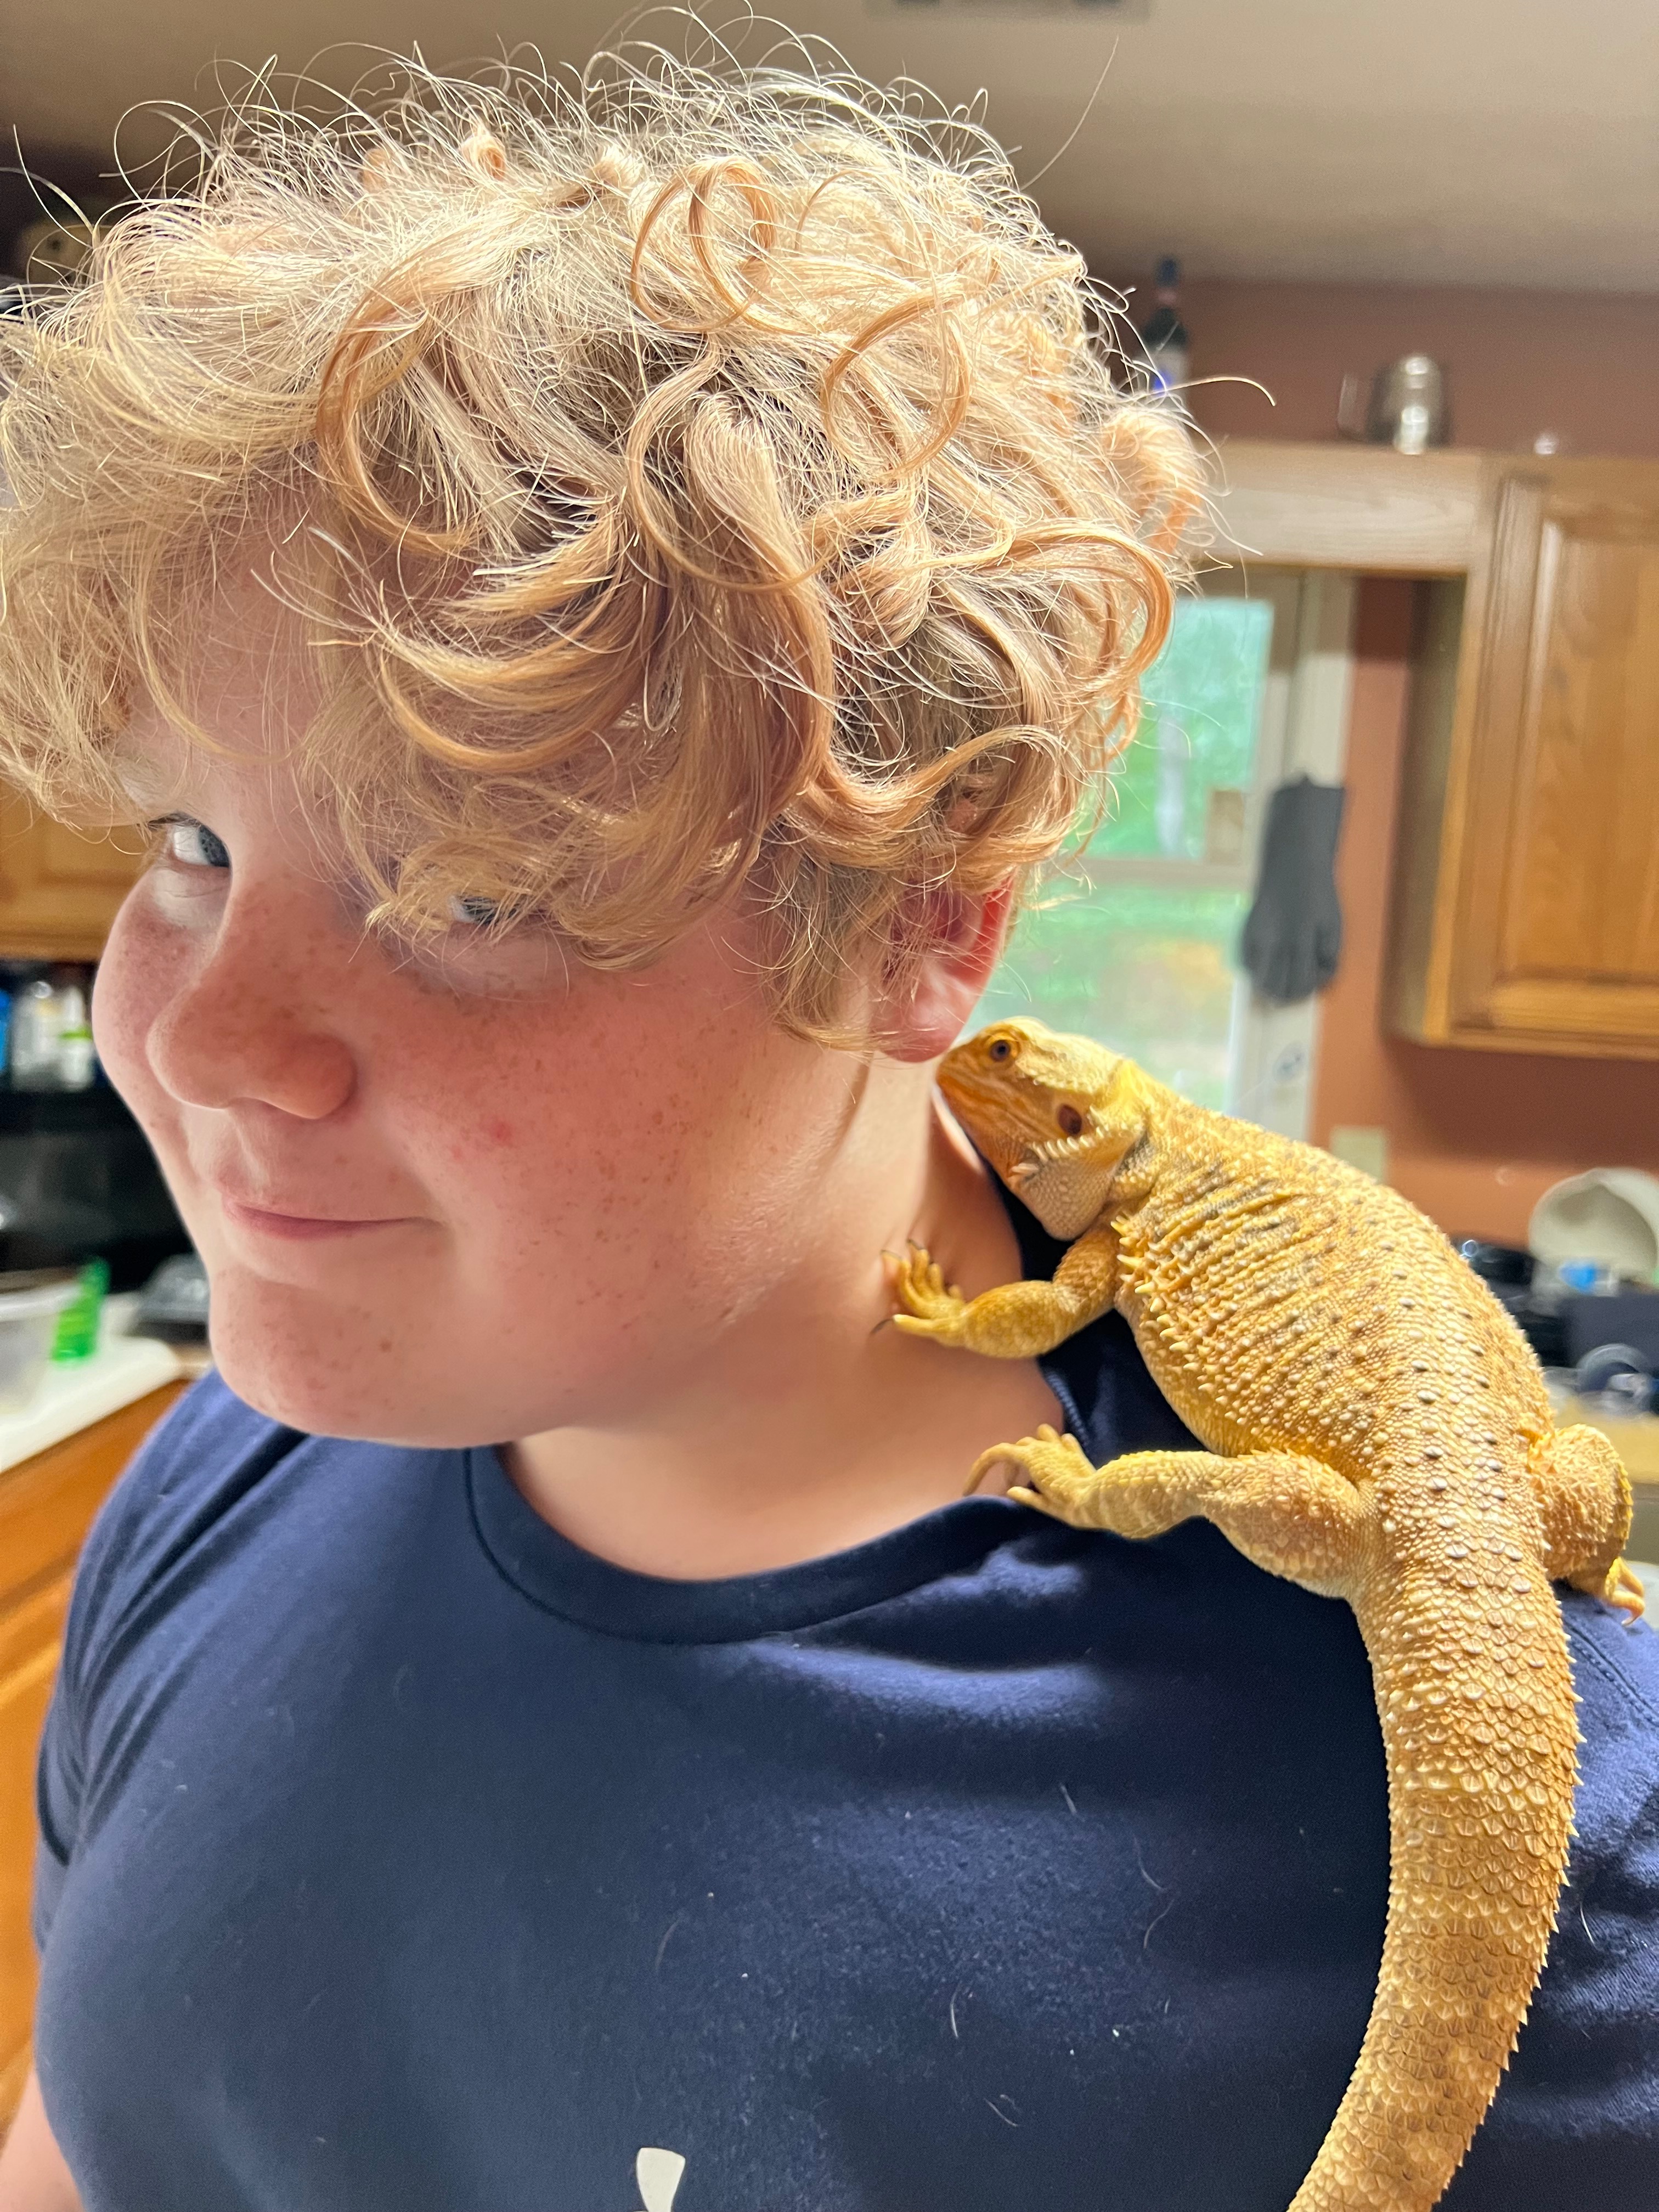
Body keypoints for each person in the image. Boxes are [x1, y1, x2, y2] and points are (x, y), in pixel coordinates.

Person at [0, 46, 1654, 2212]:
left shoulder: (1535, 1849)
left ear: (922, 930)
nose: (208, 1045)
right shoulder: (216, 1471)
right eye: (192, 842)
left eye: (475, 892)